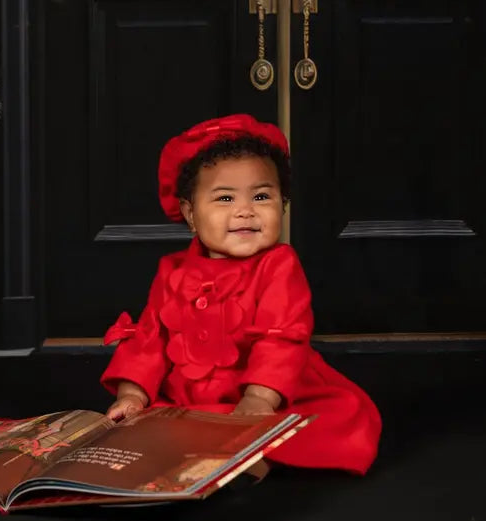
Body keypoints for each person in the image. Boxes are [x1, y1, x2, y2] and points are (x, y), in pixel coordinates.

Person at [100, 114, 382, 475]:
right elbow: (150, 341)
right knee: (151, 426)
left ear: (282, 204)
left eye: (261, 196)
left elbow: (281, 339)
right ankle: (213, 459)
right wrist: (132, 394)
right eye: (225, 198)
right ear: (190, 212)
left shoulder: (278, 265)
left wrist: (259, 397)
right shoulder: (174, 271)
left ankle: (245, 461)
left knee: (327, 420)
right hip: (191, 402)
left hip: (265, 394)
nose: (245, 211)